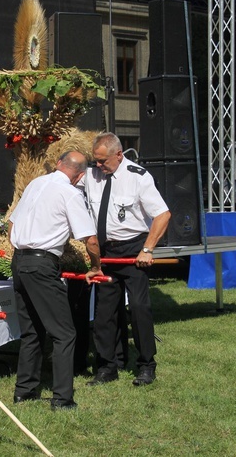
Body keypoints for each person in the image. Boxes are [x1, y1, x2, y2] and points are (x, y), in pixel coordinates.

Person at [9, 150, 103, 411]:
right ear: (81, 176)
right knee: (64, 333)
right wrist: (95, 266)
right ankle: (62, 398)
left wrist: (22, 252)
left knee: (32, 332)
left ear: (59, 164)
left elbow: (12, 224)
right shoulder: (71, 193)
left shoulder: (36, 183)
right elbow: (90, 240)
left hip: (19, 261)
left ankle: (24, 392)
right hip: (41, 264)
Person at [81, 132, 171, 387]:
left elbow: (163, 214)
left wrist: (148, 249)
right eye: (95, 161)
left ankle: (146, 365)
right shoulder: (91, 175)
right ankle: (108, 366)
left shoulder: (138, 178)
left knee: (140, 308)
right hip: (105, 253)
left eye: (102, 161)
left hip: (133, 251)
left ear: (119, 154)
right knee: (104, 313)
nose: (98, 166)